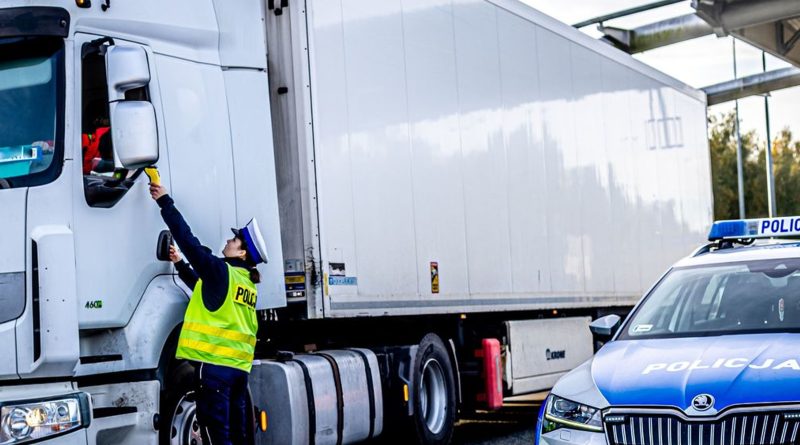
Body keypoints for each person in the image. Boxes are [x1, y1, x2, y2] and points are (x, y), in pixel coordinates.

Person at [149, 182, 268, 445]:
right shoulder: (244, 282)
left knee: (216, 438)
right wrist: (180, 265)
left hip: (215, 371)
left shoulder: (222, 272)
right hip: (238, 372)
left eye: (234, 240)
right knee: (237, 436)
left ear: (242, 252)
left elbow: (188, 240)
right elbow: (206, 292)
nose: (228, 241)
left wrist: (165, 202)